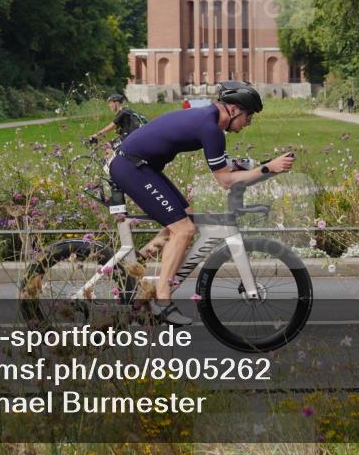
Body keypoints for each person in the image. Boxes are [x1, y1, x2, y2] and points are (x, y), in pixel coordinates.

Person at [108, 81, 295, 325]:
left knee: (188, 217)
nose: (249, 122)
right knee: (183, 229)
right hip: (131, 167)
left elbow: (227, 167)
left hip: (142, 166)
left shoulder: (210, 122)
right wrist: (268, 167)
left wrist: (264, 167)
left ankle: (136, 263)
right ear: (235, 109)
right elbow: (226, 181)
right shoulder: (210, 128)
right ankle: (161, 302)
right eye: (249, 116)